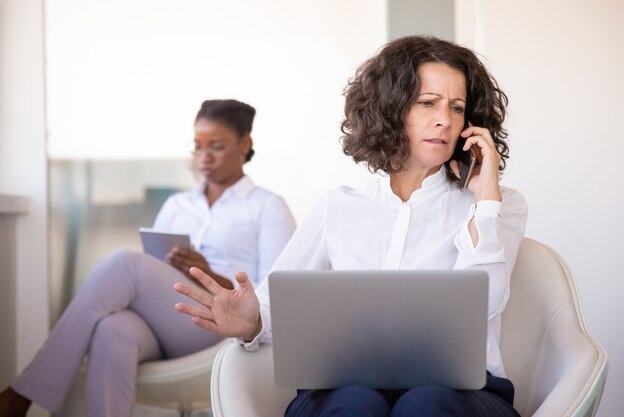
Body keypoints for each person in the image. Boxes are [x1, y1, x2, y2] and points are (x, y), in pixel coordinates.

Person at [173, 36, 528, 417]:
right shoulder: (338, 205)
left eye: (456, 108)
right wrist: (252, 320)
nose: (445, 119)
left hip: (461, 392)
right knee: (355, 403)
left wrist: (485, 198)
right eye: (427, 103)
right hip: (348, 386)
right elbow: (275, 301)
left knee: (424, 402)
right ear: (390, 110)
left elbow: (485, 304)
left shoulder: (497, 204)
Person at [0, 99, 297, 417]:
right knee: (113, 329)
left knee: (125, 264)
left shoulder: (268, 207)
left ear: (245, 144)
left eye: (217, 146)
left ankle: (23, 394)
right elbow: (148, 271)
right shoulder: (177, 205)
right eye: (197, 146)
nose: (204, 157)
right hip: (166, 318)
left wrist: (208, 274)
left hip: (218, 326)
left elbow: (273, 297)